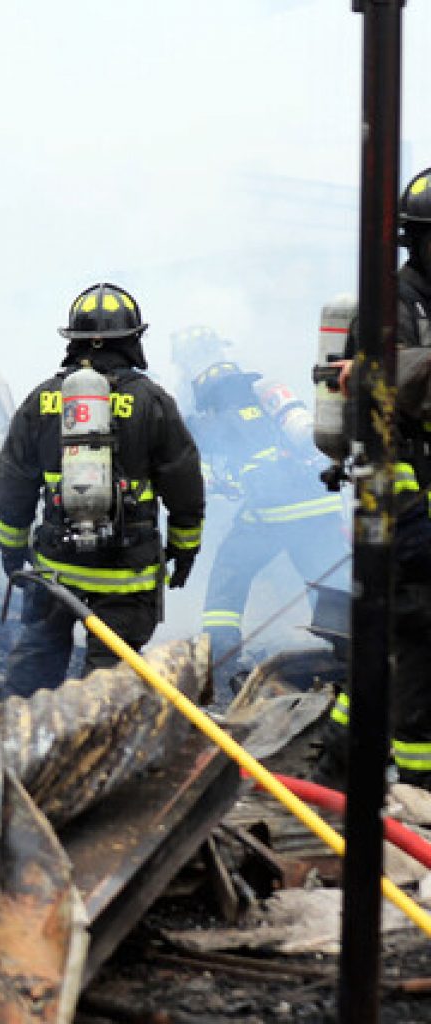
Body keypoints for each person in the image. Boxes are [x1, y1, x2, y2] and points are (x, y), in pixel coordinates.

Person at [0, 282, 205, 699]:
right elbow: (184, 485)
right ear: (132, 340)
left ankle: (9, 732)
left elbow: (13, 483)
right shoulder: (152, 401)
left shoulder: (43, 399)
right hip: (127, 574)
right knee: (104, 692)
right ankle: (91, 740)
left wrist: (11, 551)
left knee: (33, 670)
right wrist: (185, 550)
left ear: (73, 340)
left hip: (55, 570)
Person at [315, 165, 431, 790]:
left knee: (386, 645)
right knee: (415, 644)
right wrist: (408, 517)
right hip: (403, 513)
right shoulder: (392, 308)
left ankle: (341, 762)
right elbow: (385, 400)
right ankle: (414, 788)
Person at [189, 359, 348, 705]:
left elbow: (197, 463)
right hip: (319, 504)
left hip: (271, 512)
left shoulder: (217, 419)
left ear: (210, 399)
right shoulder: (271, 402)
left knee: (228, 575)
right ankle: (350, 655)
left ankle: (221, 665)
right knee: (329, 582)